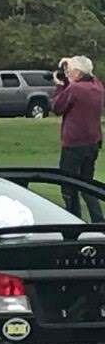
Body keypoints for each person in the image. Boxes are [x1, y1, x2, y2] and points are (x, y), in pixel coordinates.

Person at [53, 55, 105, 222]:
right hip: (93, 142)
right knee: (87, 185)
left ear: (77, 73)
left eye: (69, 71)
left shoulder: (75, 89)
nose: (67, 74)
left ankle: (74, 221)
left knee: (68, 185)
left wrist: (60, 86)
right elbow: (91, 75)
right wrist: (71, 62)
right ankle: (98, 220)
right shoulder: (97, 86)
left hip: (74, 143)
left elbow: (57, 107)